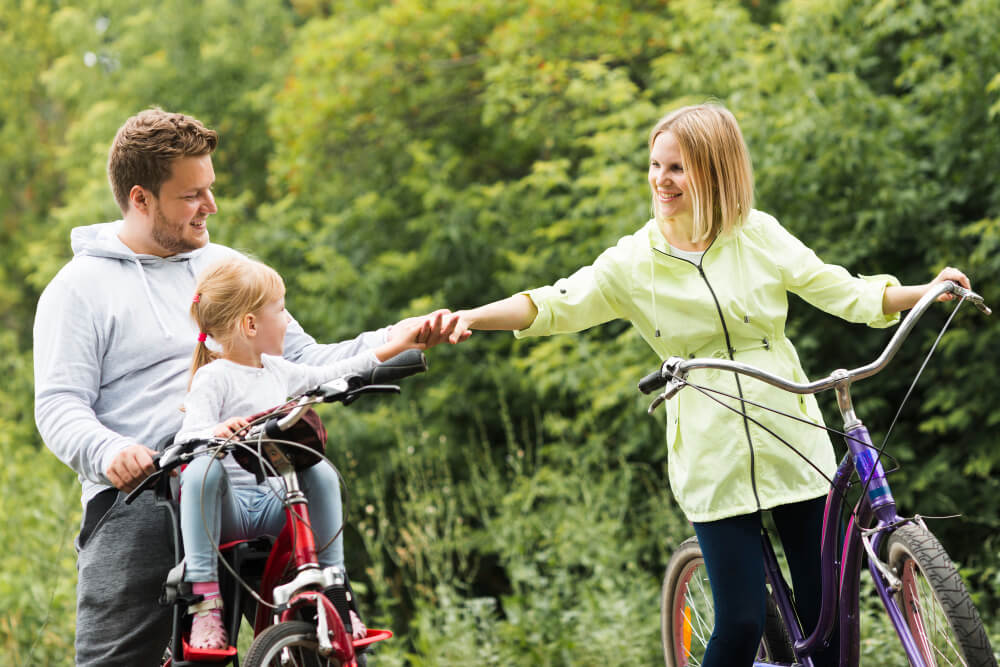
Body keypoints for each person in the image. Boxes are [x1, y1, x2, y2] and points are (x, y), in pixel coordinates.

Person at [447, 103, 970, 667]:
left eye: (677, 168)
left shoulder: (757, 235)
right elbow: (552, 303)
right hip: (710, 449)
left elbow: (842, 290)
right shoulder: (634, 261)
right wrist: (472, 316)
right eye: (655, 165)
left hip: (789, 432)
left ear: (715, 170)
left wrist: (923, 290)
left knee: (830, 620)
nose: (660, 180)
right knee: (742, 622)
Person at [33, 108, 464, 666]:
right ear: (140, 199)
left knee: (318, 624)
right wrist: (110, 450)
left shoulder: (228, 269)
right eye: (192, 195)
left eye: (209, 188)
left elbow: (302, 360)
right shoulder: (79, 289)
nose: (210, 206)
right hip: (142, 492)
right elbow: (59, 404)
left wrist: (396, 338)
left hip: (251, 473)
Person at [175, 257, 428, 648]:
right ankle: (205, 603)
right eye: (281, 310)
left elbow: (338, 371)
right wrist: (215, 431)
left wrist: (398, 345)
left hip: (274, 504)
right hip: (228, 511)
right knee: (201, 469)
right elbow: (187, 436)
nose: (289, 322)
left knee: (320, 470)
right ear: (250, 325)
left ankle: (335, 589)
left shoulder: (281, 371)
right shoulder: (214, 377)